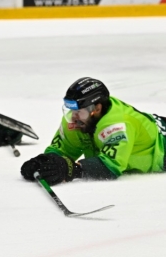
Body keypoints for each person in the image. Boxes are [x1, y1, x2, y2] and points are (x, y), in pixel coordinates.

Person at [20, 78, 166, 185]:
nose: (73, 116)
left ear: (97, 108)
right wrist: (42, 162)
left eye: (79, 110)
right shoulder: (77, 119)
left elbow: (110, 167)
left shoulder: (118, 125)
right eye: (70, 109)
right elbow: (61, 151)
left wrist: (74, 169)